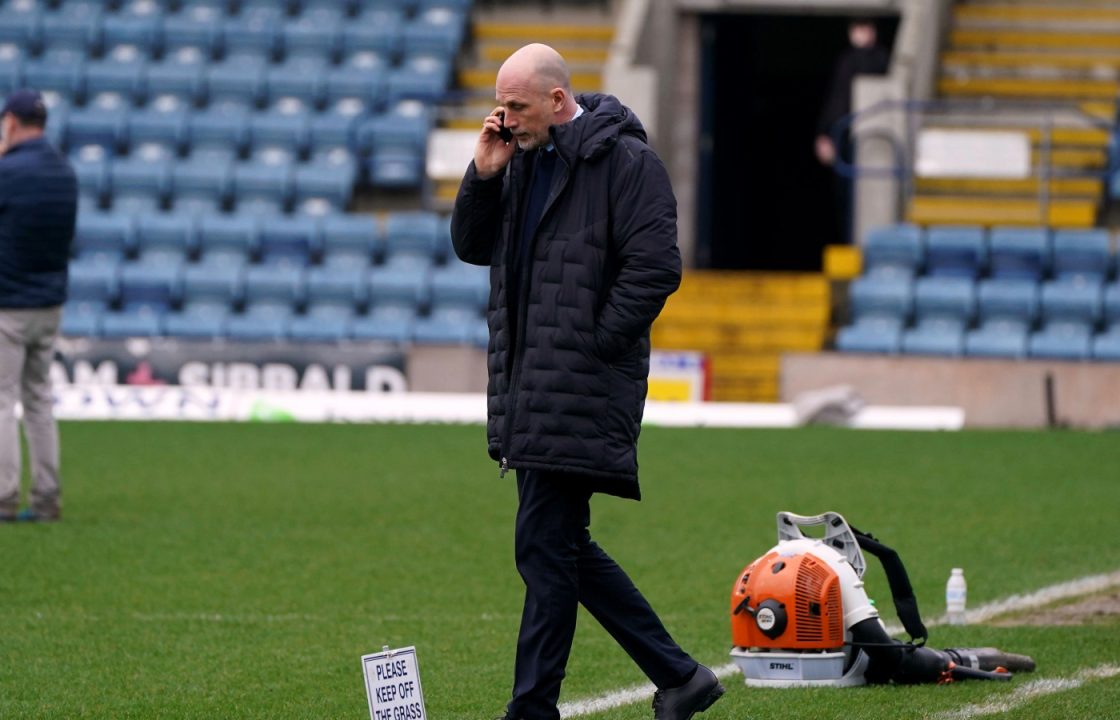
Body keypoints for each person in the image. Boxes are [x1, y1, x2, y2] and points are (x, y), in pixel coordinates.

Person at [451, 44, 724, 720]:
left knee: (545, 548)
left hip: (580, 385)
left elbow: (657, 266)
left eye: (516, 106)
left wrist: (595, 344)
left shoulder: (626, 162)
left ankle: (532, 709)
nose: (504, 118)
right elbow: (471, 246)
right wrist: (483, 175)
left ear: (556, 99)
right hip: (530, 387)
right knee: (557, 547)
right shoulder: (516, 159)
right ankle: (680, 675)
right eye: (500, 105)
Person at [0, 89, 79, 522]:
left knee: (1, 402)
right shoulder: (64, 170)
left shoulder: (8, 171)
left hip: (7, 304)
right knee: (38, 401)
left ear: (11, 122)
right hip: (49, 304)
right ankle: (47, 497)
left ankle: (3, 497)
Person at [814, 17, 890, 244]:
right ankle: (846, 240)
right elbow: (836, 99)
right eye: (856, 29)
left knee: (861, 194)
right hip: (842, 133)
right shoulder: (845, 60)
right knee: (842, 194)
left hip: (867, 134)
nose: (860, 34)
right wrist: (824, 133)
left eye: (864, 29)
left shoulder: (880, 58)